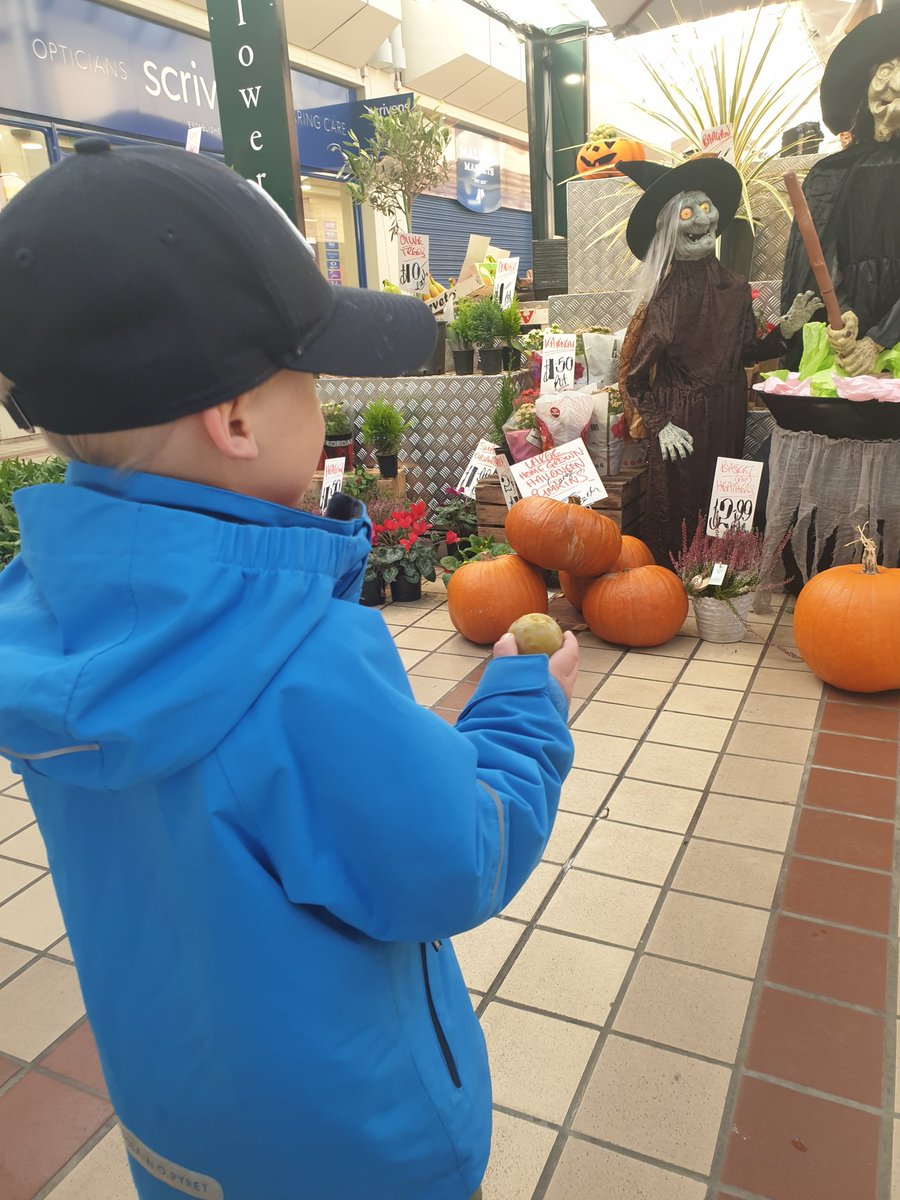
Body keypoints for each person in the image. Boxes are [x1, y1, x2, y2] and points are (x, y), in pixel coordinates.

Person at [0, 140, 578, 1200]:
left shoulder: (44, 625)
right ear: (234, 420)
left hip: (177, 1131)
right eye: (307, 376)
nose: (323, 404)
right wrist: (521, 712)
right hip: (355, 1151)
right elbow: (453, 857)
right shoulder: (296, 663)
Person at [617, 157, 820, 565]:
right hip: (681, 419)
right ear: (667, 227)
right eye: (688, 212)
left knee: (723, 495)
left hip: (727, 409)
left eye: (706, 208)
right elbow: (635, 379)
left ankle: (717, 577)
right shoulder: (664, 298)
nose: (701, 220)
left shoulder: (734, 286)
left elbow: (745, 352)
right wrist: (663, 426)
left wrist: (785, 330)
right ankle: (668, 579)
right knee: (677, 502)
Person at [781, 6, 900, 373]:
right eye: (884, 71)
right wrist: (844, 315)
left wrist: (881, 339)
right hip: (847, 358)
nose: (894, 83)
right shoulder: (831, 175)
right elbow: (824, 259)